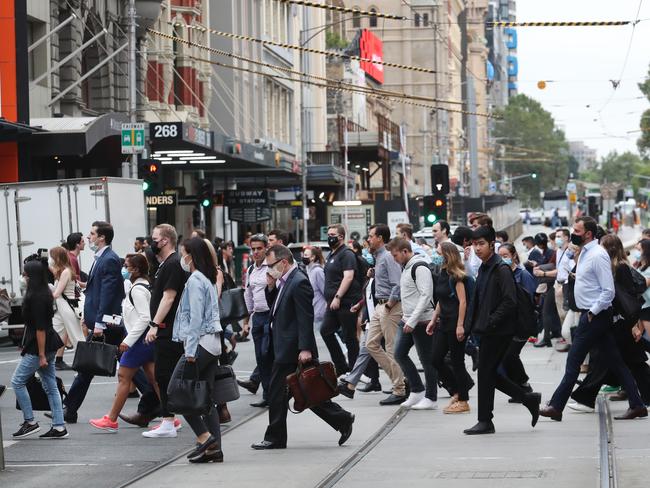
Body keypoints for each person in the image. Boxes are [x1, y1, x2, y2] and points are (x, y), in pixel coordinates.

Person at [540, 217, 648, 422]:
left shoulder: (598, 255)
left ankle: (556, 406)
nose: (573, 233)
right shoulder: (584, 253)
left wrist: (592, 312)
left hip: (594, 316)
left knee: (573, 361)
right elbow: (569, 278)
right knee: (616, 361)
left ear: (588, 234)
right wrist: (567, 254)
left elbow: (608, 291)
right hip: (591, 315)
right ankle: (638, 405)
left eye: (577, 231)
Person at [251, 245, 355, 450]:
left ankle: (275, 438)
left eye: (270, 265)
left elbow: (304, 318)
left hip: (293, 349)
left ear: (283, 262)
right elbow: (277, 308)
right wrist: (271, 287)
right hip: (284, 346)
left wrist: (305, 348)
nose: (268, 269)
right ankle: (342, 419)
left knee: (281, 393)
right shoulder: (284, 280)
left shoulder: (298, 282)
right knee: (306, 392)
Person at [463, 226, 541, 435]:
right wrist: (469, 326)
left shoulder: (501, 269)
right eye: (474, 244)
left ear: (491, 245)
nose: (477, 248)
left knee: (486, 374)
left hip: (499, 331)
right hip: (488, 330)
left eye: (481, 244)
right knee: (490, 374)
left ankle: (485, 420)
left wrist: (489, 322)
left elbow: (510, 302)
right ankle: (528, 398)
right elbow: (478, 300)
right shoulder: (485, 267)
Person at [120, 224, 188, 436]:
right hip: (166, 329)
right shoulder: (167, 264)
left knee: (165, 376)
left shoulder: (172, 264)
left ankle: (170, 422)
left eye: (155, 239)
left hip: (167, 330)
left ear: (166, 240)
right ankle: (169, 419)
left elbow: (169, 297)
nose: (151, 242)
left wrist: (154, 325)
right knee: (161, 375)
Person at [570, 234, 650, 411]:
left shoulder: (620, 268)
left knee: (629, 360)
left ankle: (586, 398)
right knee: (616, 360)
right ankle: (588, 398)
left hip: (622, 323)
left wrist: (635, 325)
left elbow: (629, 300)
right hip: (616, 322)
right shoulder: (610, 267)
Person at [62, 221, 125, 424]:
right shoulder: (101, 258)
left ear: (102, 238)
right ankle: (70, 410)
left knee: (90, 366)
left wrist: (98, 324)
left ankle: (69, 409)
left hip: (106, 324)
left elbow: (107, 294)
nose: (88, 237)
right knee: (126, 363)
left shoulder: (109, 259)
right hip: (104, 323)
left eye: (91, 234)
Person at [89, 253, 158, 432]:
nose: (123, 269)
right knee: (154, 379)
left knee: (123, 377)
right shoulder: (141, 286)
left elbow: (144, 318)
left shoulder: (137, 289)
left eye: (126, 266)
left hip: (138, 341)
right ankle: (170, 417)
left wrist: (127, 341)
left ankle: (111, 419)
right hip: (144, 340)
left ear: (135, 269)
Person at [170, 237, 224, 463]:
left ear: (190, 255)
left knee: (177, 392)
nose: (182, 258)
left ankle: (204, 437)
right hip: (213, 345)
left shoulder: (195, 280)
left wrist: (190, 351)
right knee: (206, 398)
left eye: (183, 253)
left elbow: (195, 319)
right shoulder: (208, 278)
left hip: (200, 344)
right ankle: (215, 449)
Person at [11, 260, 67, 439]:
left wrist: (41, 355)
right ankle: (59, 427)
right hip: (50, 343)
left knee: (17, 381)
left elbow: (40, 329)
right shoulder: (45, 292)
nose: (23, 278)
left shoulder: (35, 297)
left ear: (31, 277)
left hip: (39, 347)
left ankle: (30, 421)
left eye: (25, 275)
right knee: (50, 385)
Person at [390, 238, 438, 410]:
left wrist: (413, 319)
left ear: (404, 251)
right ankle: (417, 389)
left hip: (422, 321)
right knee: (399, 354)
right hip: (408, 319)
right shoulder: (406, 267)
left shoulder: (420, 267)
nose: (394, 259)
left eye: (395, 255)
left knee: (427, 360)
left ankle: (431, 397)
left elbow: (426, 296)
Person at [429, 241, 474, 414]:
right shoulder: (442, 272)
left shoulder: (457, 275)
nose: (436, 256)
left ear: (447, 255)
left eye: (439, 253)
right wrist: (434, 319)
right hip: (444, 322)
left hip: (456, 323)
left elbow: (463, 302)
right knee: (436, 358)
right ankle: (457, 390)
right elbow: (442, 299)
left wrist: (460, 326)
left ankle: (463, 400)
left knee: (457, 362)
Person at [365, 224, 407, 405]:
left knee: (391, 349)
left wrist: (390, 304)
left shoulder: (388, 256)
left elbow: (397, 283)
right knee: (371, 344)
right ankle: (401, 380)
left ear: (380, 238)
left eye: (371, 236)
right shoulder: (378, 257)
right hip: (379, 306)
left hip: (390, 306)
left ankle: (399, 389)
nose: (368, 239)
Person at [322, 224, 362, 376]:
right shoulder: (332, 254)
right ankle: (341, 366)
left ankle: (354, 370)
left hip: (346, 301)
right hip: (332, 303)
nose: (329, 237)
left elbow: (349, 277)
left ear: (341, 237)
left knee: (350, 336)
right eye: (329, 233)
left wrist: (338, 297)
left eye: (332, 234)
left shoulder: (346, 254)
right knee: (325, 331)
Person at [498, 243, 537, 398]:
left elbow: (529, 300)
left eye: (505, 256)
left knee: (510, 355)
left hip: (521, 323)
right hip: (506, 323)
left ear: (514, 255)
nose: (502, 259)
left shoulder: (523, 274)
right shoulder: (500, 273)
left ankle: (523, 384)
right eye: (499, 256)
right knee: (507, 356)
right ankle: (519, 387)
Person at [238, 234, 272, 408]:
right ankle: (267, 394)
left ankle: (273, 393)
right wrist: (246, 321)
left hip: (271, 316)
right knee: (260, 357)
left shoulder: (272, 267)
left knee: (268, 355)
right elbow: (248, 296)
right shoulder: (251, 270)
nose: (256, 252)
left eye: (260, 248)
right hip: (257, 317)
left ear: (266, 248)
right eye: (254, 249)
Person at [49, 246, 84, 371]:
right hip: (61, 307)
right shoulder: (64, 271)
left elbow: (57, 293)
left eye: (52, 256)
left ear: (57, 257)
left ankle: (84, 366)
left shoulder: (66, 272)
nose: (50, 259)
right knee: (53, 334)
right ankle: (44, 366)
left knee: (76, 337)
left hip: (66, 307)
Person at [303, 246, 327, 330]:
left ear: (312, 257)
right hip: (311, 312)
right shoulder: (307, 270)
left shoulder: (317, 271)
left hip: (319, 312)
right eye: (303, 254)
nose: (303, 257)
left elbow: (325, 291)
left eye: (306, 255)